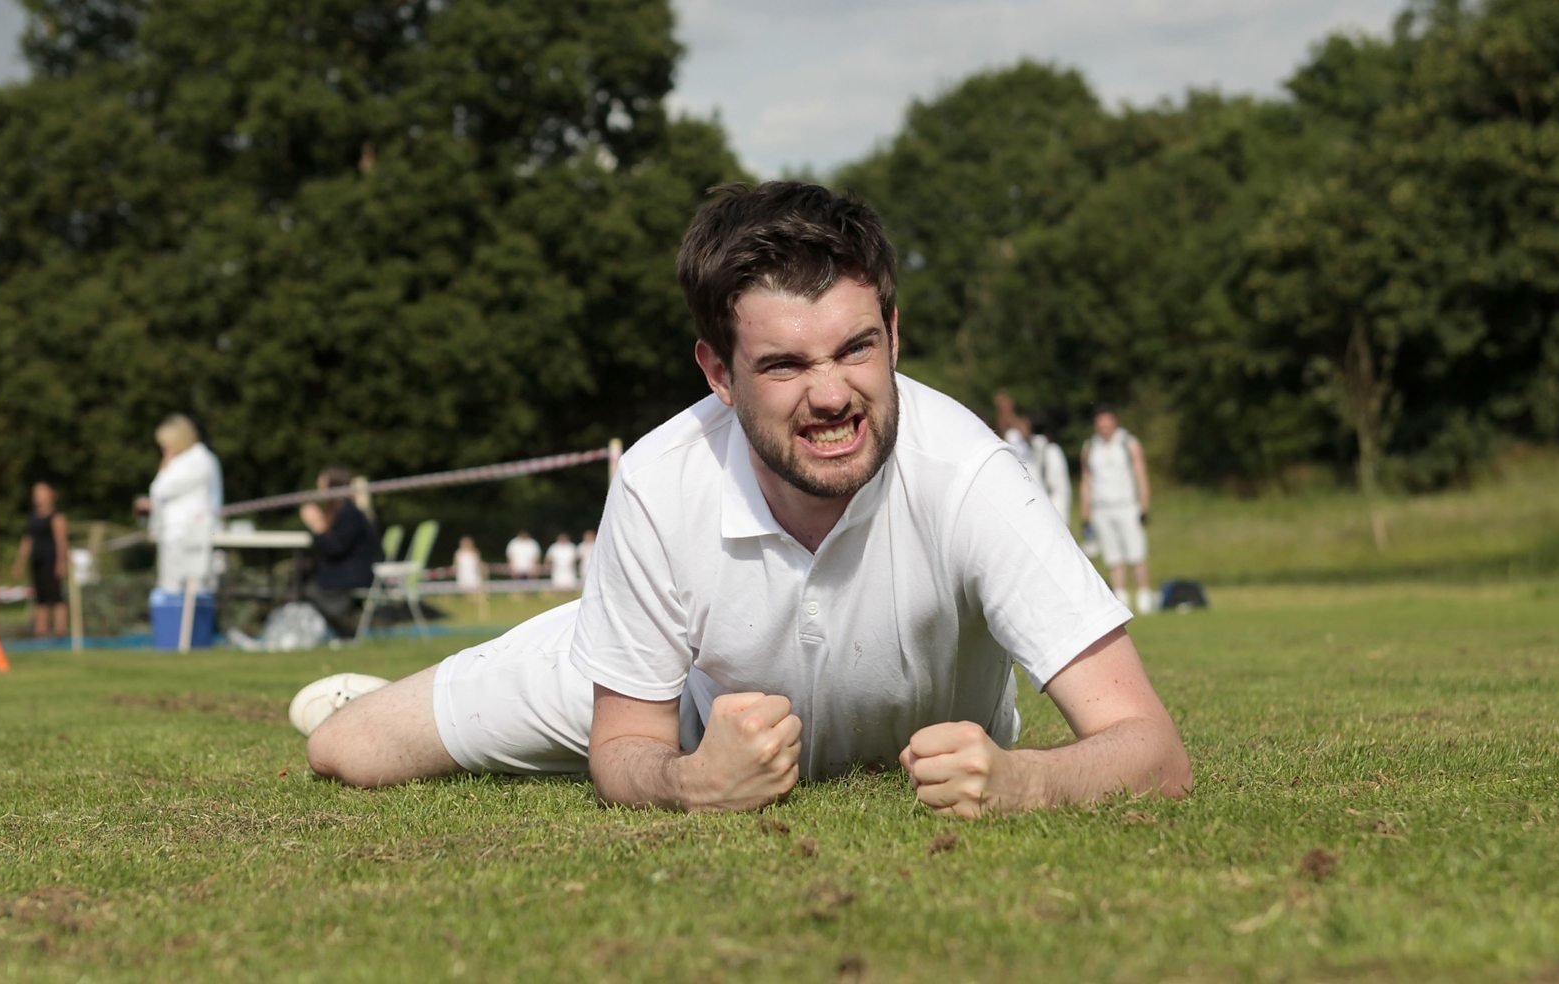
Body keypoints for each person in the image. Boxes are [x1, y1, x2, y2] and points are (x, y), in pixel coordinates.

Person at [295, 182, 1188, 819]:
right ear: (719, 373)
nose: (833, 395)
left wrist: (1026, 781)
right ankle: (370, 692)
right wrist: (690, 781)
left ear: (894, 334)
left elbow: (1152, 748)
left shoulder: (973, 475)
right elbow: (624, 747)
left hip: (874, 720)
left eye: (856, 349)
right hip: (674, 692)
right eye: (785, 364)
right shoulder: (659, 481)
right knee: (349, 751)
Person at [1080, 404, 1154, 614]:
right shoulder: (1090, 447)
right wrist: (1085, 514)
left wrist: (1144, 505)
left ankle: (1144, 597)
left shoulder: (1128, 443)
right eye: (1100, 424)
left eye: (1107, 423)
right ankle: (1121, 599)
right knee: (1113, 558)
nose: (1104, 428)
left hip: (1127, 505)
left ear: (1115, 422)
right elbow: (1086, 482)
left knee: (1136, 554)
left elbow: (1140, 474)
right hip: (1102, 508)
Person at [137, 414, 222, 593]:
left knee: (190, 587)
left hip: (187, 533)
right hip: (173, 533)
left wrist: (165, 466)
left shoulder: (198, 459)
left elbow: (162, 488)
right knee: (170, 587)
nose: (163, 448)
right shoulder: (179, 461)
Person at [298, 465, 382, 635]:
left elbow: (335, 549)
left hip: (351, 575)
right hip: (345, 572)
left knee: (307, 588)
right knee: (303, 578)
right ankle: (343, 631)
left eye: (322, 487)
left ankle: (346, 631)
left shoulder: (348, 513)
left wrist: (317, 526)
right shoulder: (343, 512)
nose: (320, 492)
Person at [11, 482, 68, 637]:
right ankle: (40, 631)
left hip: (51, 560)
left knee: (56, 596)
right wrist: (20, 562)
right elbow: (27, 541)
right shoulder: (33, 517)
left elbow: (61, 541)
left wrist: (61, 563)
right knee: (40, 597)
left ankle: (60, 630)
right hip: (37, 561)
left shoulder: (56, 516)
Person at [1027, 414, 1071, 527]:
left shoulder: (1049, 450)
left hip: (1051, 507)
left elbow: (1058, 487)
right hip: (1048, 506)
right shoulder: (1051, 449)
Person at [992, 389, 1032, 465]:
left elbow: (1026, 434)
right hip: (1013, 458)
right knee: (1011, 435)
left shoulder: (1019, 420)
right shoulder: (1001, 421)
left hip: (1025, 456)